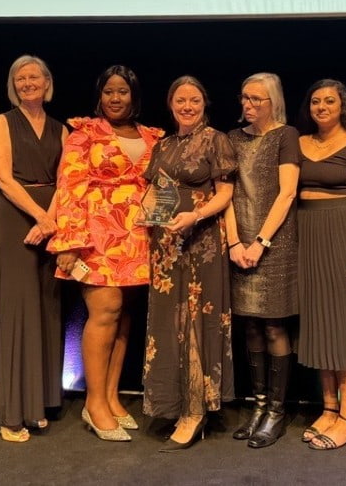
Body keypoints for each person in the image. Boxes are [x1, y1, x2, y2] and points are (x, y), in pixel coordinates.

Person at [49, 65, 162, 442]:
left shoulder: (151, 135)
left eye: (123, 92)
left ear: (134, 96)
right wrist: (68, 242)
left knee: (123, 314)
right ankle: (94, 402)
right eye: (109, 91)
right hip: (97, 234)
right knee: (105, 309)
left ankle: (112, 398)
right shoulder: (85, 134)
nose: (116, 98)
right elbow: (69, 186)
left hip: (138, 237)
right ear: (99, 96)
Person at [141, 75, 237, 452]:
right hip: (165, 245)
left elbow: (225, 193)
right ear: (170, 104)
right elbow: (155, 191)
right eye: (180, 100)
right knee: (169, 323)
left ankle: (195, 411)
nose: (187, 106)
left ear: (204, 103)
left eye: (194, 100)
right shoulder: (162, 144)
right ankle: (174, 404)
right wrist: (145, 215)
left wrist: (195, 217)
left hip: (202, 243)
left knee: (197, 320)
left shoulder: (217, 140)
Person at [296, 79, 346, 450]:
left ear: (342, 105)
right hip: (308, 238)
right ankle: (328, 409)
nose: (322, 107)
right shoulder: (298, 143)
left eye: (330, 101)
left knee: (343, 331)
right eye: (316, 101)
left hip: (343, 235)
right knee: (320, 327)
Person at [0, 55, 66, 442]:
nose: (27, 83)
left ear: (47, 81)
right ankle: (11, 413)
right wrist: (39, 216)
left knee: (49, 309)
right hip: (16, 219)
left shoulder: (61, 129)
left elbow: (66, 179)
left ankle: (40, 404)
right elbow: (3, 178)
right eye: (20, 78)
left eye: (34, 76)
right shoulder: (2, 122)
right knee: (19, 311)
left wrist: (49, 220)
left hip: (51, 223)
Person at [224, 72, 300, 448]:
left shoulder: (286, 136)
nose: (248, 105)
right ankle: (257, 405)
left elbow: (287, 194)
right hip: (239, 243)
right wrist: (235, 242)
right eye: (244, 98)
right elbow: (227, 193)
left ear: (273, 102)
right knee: (249, 327)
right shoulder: (232, 139)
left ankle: (276, 411)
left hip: (275, 243)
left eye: (256, 99)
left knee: (273, 327)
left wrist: (260, 243)